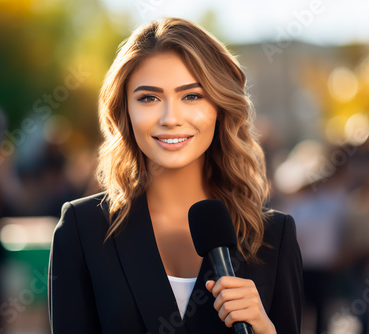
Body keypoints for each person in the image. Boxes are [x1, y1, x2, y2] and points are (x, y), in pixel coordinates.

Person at [48, 17, 303, 334]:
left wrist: (266, 330)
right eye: (149, 98)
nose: (170, 118)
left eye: (192, 96)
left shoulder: (273, 237)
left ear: (220, 107)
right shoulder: (82, 228)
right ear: (124, 110)